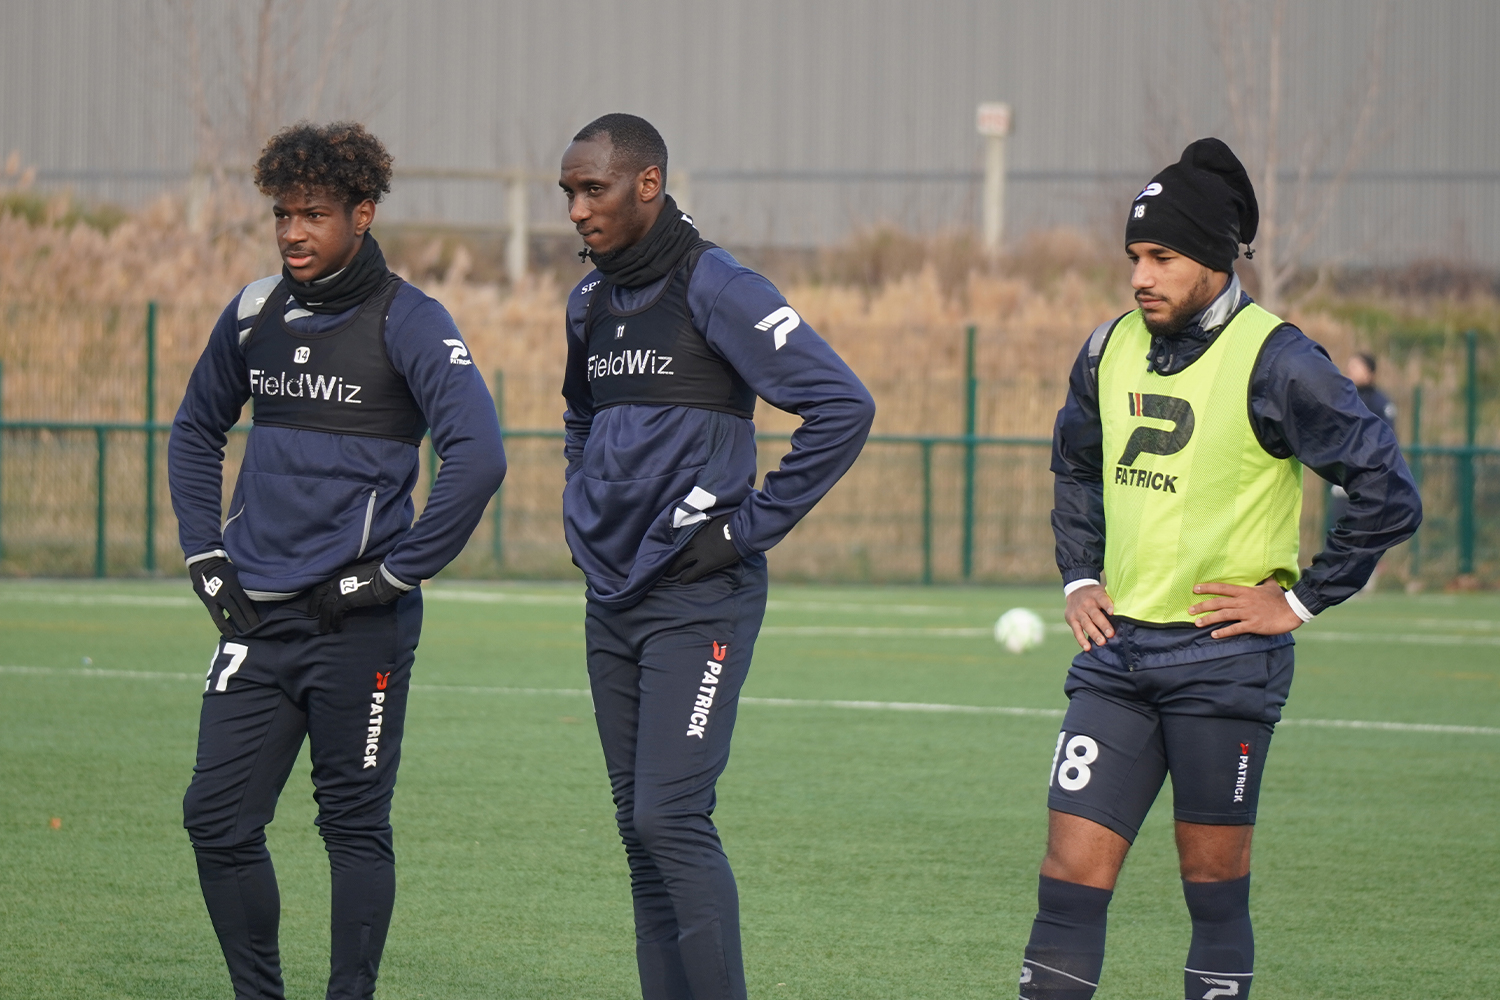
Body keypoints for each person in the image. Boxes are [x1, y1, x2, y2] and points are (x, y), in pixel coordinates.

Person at [1018, 138, 1421, 1000]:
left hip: (1225, 664)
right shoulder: (1104, 351)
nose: (1140, 276)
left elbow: (1387, 490)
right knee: (1067, 881)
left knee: (1213, 895)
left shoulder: (1280, 360)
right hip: (1117, 661)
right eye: (1133, 257)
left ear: (1211, 257)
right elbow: (1077, 467)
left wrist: (1302, 601)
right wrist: (1079, 576)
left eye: (1161, 256)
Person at [168, 121, 506, 1000]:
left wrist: (398, 572)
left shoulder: (414, 322)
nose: (291, 233)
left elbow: (478, 455)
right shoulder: (253, 314)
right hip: (256, 621)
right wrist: (203, 548)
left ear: (362, 214)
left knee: (353, 827)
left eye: (312, 214)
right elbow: (196, 427)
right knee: (216, 819)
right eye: (281, 214)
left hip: (358, 627)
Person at [557, 113, 875, 1000]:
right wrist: (581, 501)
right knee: (637, 825)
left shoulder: (717, 284)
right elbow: (581, 414)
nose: (578, 209)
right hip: (611, 596)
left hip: (701, 595)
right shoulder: (587, 303)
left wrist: (744, 528)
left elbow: (842, 406)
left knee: (671, 815)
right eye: (570, 193)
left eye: (595, 189)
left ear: (648, 185)